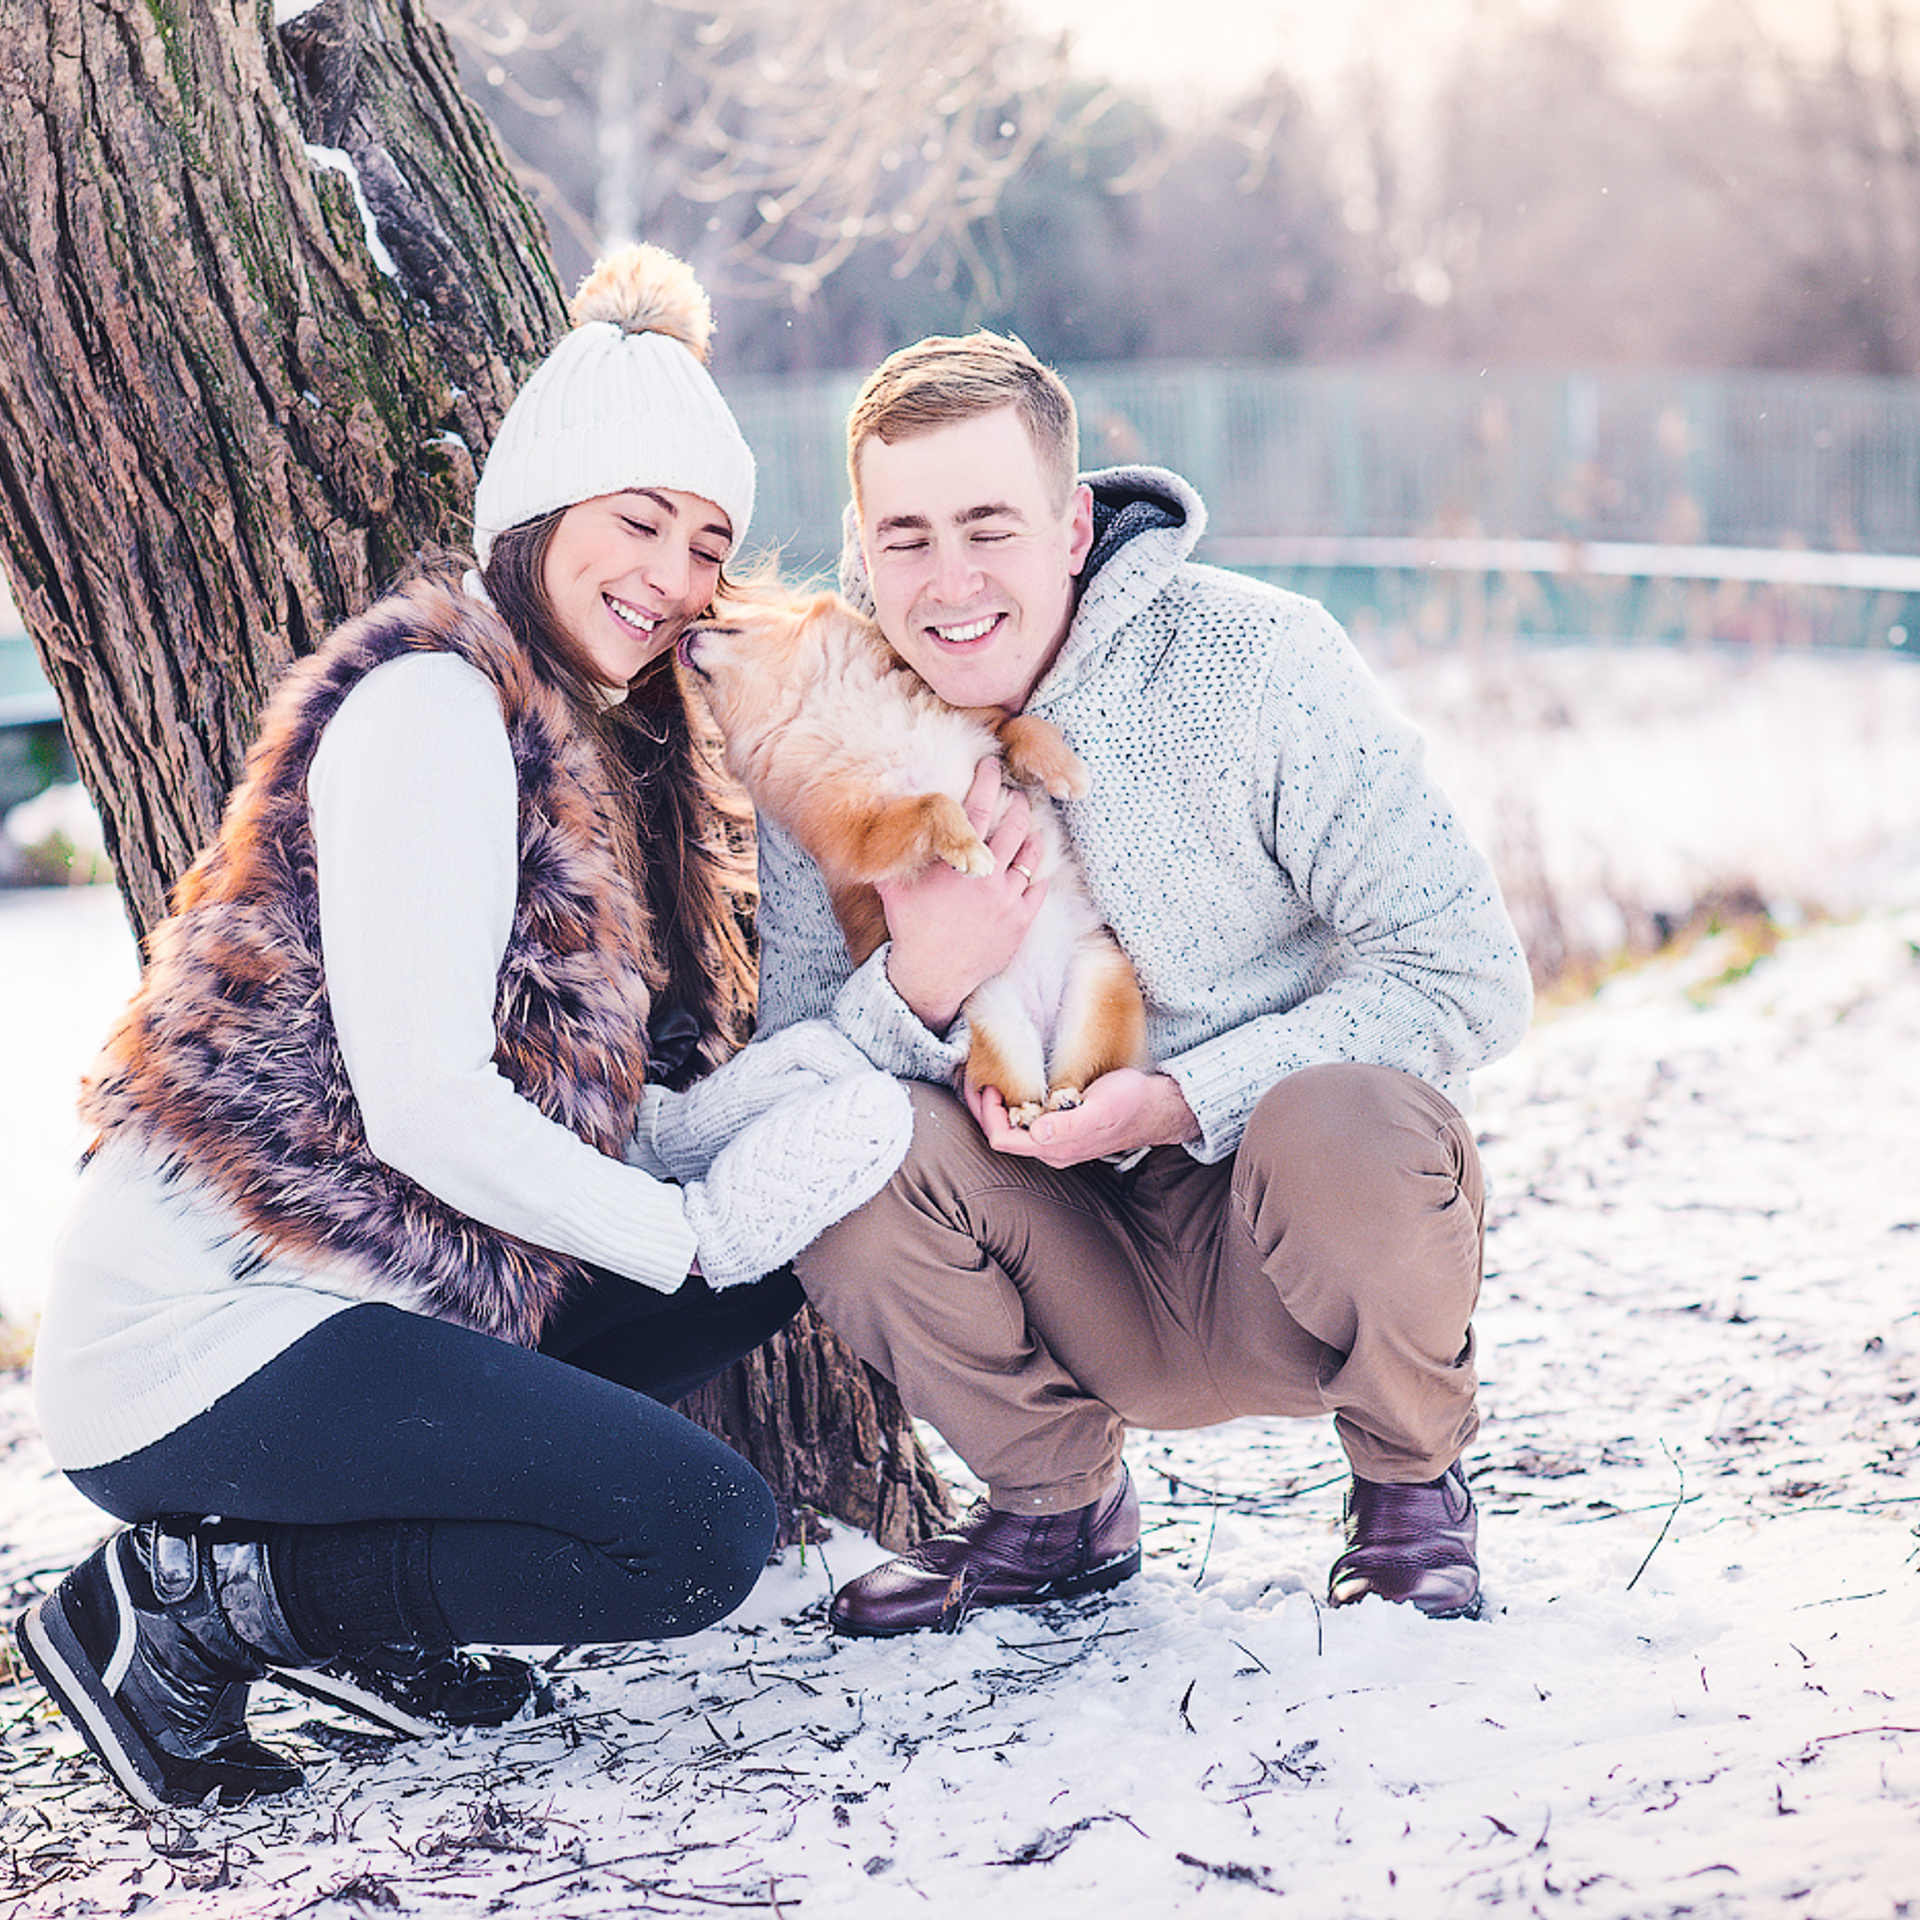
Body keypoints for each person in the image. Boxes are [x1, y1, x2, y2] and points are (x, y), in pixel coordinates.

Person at [13, 245, 911, 1810]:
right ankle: (183, 1612)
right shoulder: (437, 710)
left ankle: (360, 1611)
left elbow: (581, 1112)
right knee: (697, 1536)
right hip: (203, 1340)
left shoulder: (581, 738)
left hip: (380, 1300)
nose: (677, 575)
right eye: (640, 521)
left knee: (772, 1254)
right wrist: (676, 1225)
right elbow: (426, 1102)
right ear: (539, 514)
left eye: (706, 541)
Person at [752, 332, 1535, 1636]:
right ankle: (1053, 1512)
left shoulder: (1261, 661)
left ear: (1070, 527)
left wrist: (1180, 1096)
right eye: (906, 537)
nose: (947, 583)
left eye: (987, 528)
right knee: (831, 1150)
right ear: (861, 538)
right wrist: (920, 993)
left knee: (1347, 1113)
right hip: (1055, 1258)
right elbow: (792, 1073)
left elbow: (1464, 969)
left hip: (1284, 1235)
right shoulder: (829, 740)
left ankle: (1411, 1492)